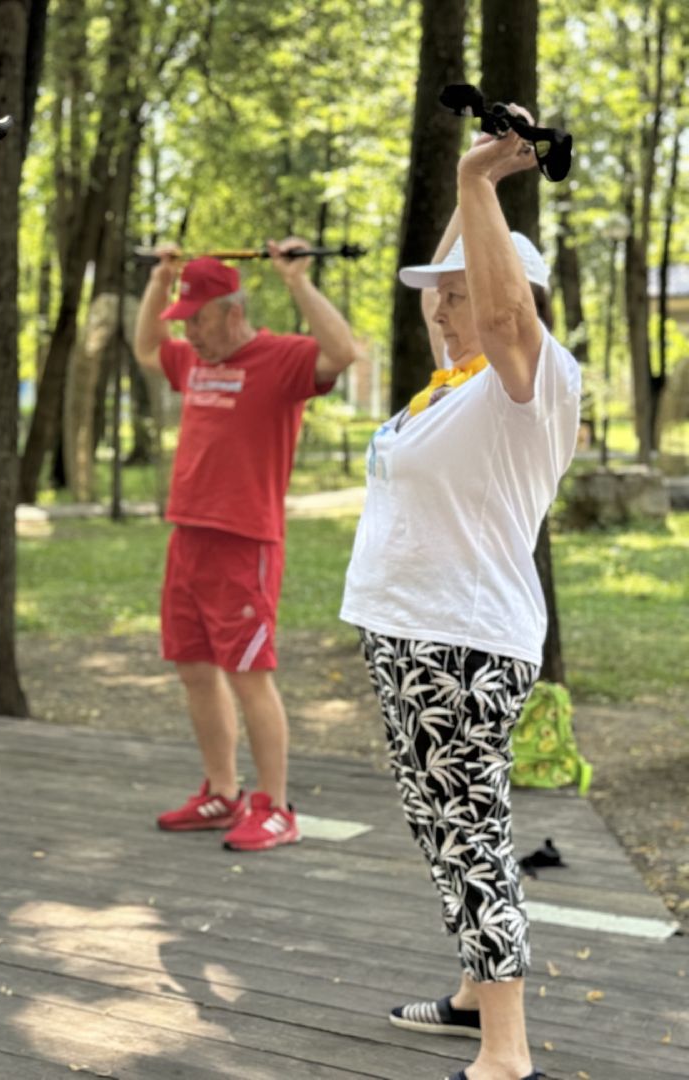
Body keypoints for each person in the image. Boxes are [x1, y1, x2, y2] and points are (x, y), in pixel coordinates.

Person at [340, 112, 576, 1080]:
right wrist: (464, 173)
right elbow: (463, 298)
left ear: (507, 294)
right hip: (407, 640)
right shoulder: (446, 388)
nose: (444, 307)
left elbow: (506, 314)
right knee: (440, 821)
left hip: (464, 647)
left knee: (473, 828)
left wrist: (483, 184)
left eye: (460, 294)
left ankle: (506, 1053)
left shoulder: (528, 386)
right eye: (437, 296)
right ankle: (479, 990)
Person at [133, 239, 361, 852]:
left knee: (248, 675)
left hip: (245, 543)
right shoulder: (195, 362)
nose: (193, 335)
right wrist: (163, 280)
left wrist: (298, 283)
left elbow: (344, 352)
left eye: (199, 321)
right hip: (189, 536)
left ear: (232, 313)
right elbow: (148, 348)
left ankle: (276, 807)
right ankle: (221, 792)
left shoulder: (280, 359)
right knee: (193, 669)